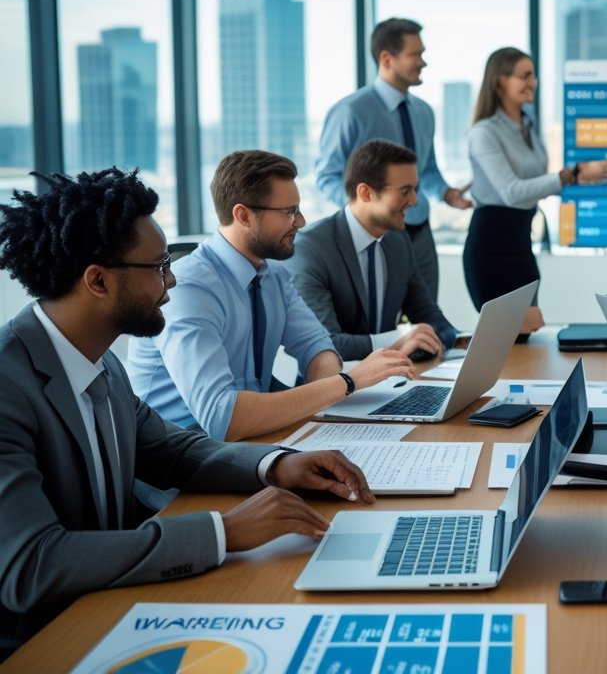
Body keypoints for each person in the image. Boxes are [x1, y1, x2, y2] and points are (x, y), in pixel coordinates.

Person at [0, 168, 375, 656]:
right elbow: (32, 565)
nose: (172, 280)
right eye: (158, 268)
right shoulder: (9, 386)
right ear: (97, 280)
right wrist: (223, 531)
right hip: (43, 642)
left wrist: (277, 464)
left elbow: (171, 450)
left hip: (113, 607)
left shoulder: (101, 363)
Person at [127, 151, 415, 441]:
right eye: (289, 212)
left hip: (251, 445)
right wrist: (348, 382)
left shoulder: (271, 275)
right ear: (243, 215)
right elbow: (222, 419)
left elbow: (318, 348)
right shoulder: (188, 289)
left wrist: (332, 385)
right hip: (182, 468)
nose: (300, 222)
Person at [315, 17, 473, 296]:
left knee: (426, 316)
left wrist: (446, 194)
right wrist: (368, 212)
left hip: (419, 231)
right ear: (387, 58)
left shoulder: (424, 112)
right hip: (375, 235)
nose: (423, 62)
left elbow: (428, 169)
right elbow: (327, 176)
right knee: (381, 320)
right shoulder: (350, 112)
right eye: (415, 54)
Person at [464, 46, 607, 314]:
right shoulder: (484, 132)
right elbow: (511, 192)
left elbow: (535, 185)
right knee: (501, 337)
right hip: (491, 248)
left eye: (533, 75)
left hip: (521, 244)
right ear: (499, 81)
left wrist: (578, 178)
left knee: (528, 330)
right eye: (524, 76)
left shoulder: (528, 126)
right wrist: (570, 175)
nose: (532, 83)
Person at [288, 139, 458, 362]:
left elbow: (427, 314)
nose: (415, 201)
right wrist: (400, 338)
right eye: (405, 191)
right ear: (366, 193)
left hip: (395, 380)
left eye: (415, 189)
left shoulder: (398, 241)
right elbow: (326, 343)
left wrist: (463, 340)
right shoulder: (310, 249)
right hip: (335, 390)